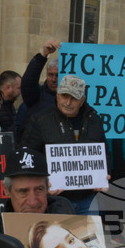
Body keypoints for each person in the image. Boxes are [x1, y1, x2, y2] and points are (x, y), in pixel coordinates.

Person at [21, 74, 109, 215]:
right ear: (57, 95)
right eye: (64, 96)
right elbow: (27, 157)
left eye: (74, 98)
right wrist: (43, 183)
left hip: (87, 199)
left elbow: (105, 154)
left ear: (82, 100)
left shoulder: (94, 120)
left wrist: (104, 174)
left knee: (90, 237)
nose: (68, 102)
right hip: (54, 200)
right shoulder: (40, 121)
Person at [16, 39, 60, 138]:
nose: (53, 79)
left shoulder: (70, 102)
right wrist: (43, 54)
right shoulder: (37, 95)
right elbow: (28, 83)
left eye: (57, 75)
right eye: (50, 75)